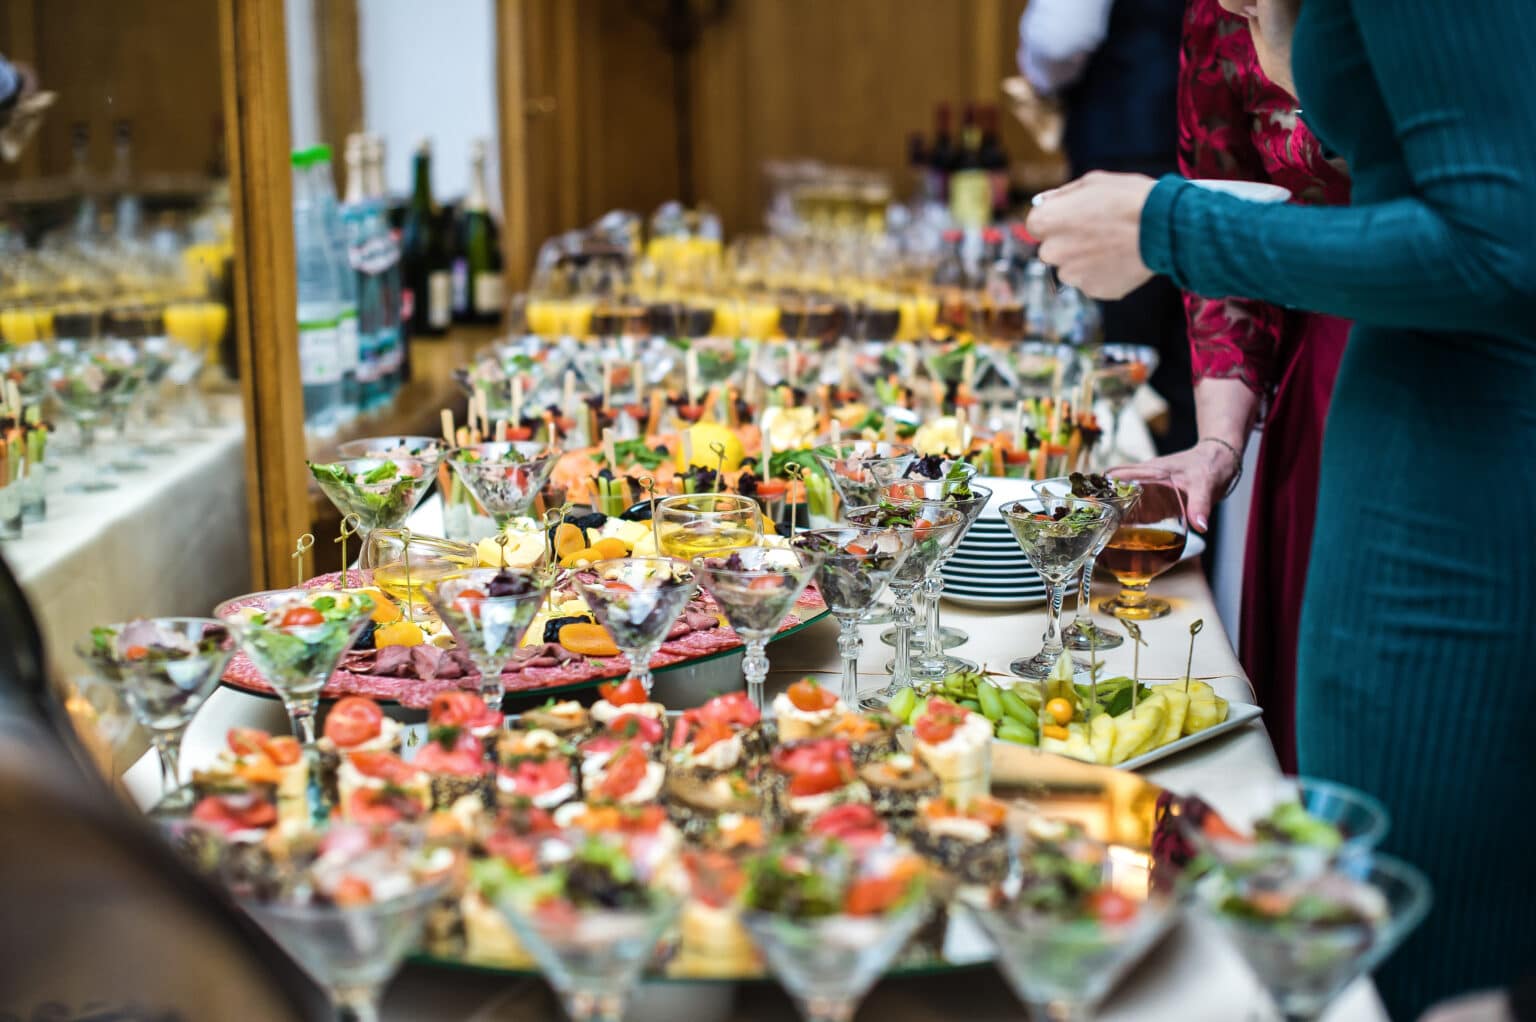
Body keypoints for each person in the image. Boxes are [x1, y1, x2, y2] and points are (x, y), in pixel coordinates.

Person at [1024, 0, 1536, 1016]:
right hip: (1385, 431)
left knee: (1411, 946)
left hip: (1460, 472)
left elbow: (1492, 241)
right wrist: (1220, 436)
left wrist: (1164, 224)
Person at [1123, 0, 1350, 773]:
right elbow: (1228, 252)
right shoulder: (1219, 20)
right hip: (1312, 394)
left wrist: (1286, 50)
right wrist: (1217, 443)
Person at [1016, 0, 1196, 456]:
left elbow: (1061, 37)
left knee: (1116, 373)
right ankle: (1180, 517)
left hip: (1123, 163)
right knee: (1186, 376)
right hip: (1200, 155)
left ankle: (1125, 511)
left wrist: (1038, 78)